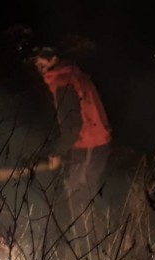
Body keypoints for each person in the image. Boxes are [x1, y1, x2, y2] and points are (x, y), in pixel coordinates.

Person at [33, 46, 112, 242]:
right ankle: (95, 244)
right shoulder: (73, 75)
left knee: (80, 196)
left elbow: (71, 126)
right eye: (37, 63)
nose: (39, 67)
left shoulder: (63, 81)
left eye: (43, 62)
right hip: (89, 143)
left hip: (91, 144)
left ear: (54, 60)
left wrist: (57, 153)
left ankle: (89, 250)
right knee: (82, 193)